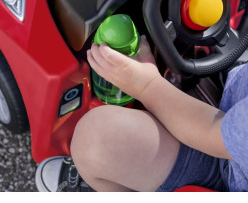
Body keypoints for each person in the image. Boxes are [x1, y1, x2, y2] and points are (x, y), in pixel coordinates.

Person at [35, 35, 248, 192]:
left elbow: (213, 134)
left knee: (95, 140)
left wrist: (146, 85)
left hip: (227, 171)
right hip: (232, 125)